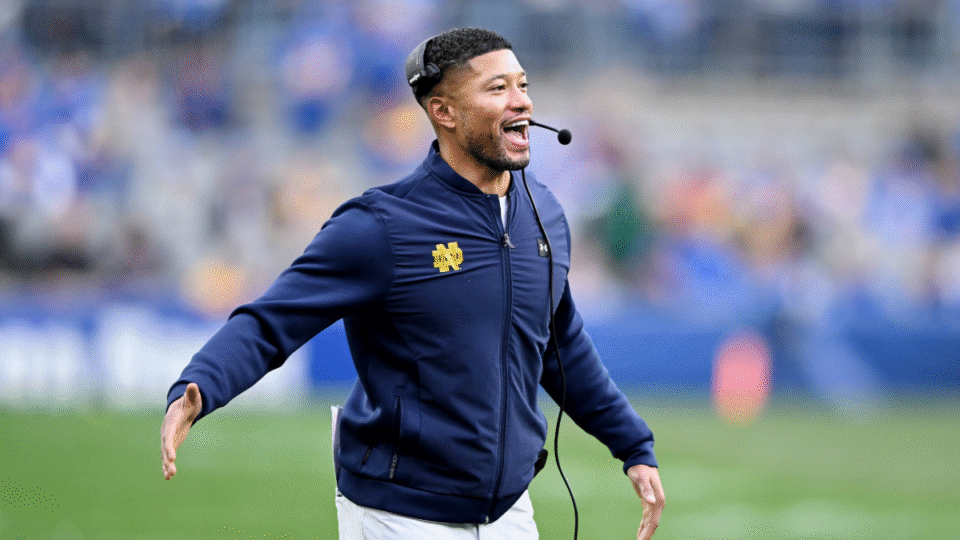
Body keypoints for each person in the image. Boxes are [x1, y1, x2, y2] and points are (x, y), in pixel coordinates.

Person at [161, 27, 665, 540]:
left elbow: (561, 346)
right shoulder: (380, 226)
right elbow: (272, 321)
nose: (523, 102)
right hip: (398, 515)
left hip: (510, 512)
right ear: (443, 112)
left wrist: (632, 445)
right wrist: (199, 386)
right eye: (498, 89)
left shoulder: (546, 214)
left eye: (522, 84)